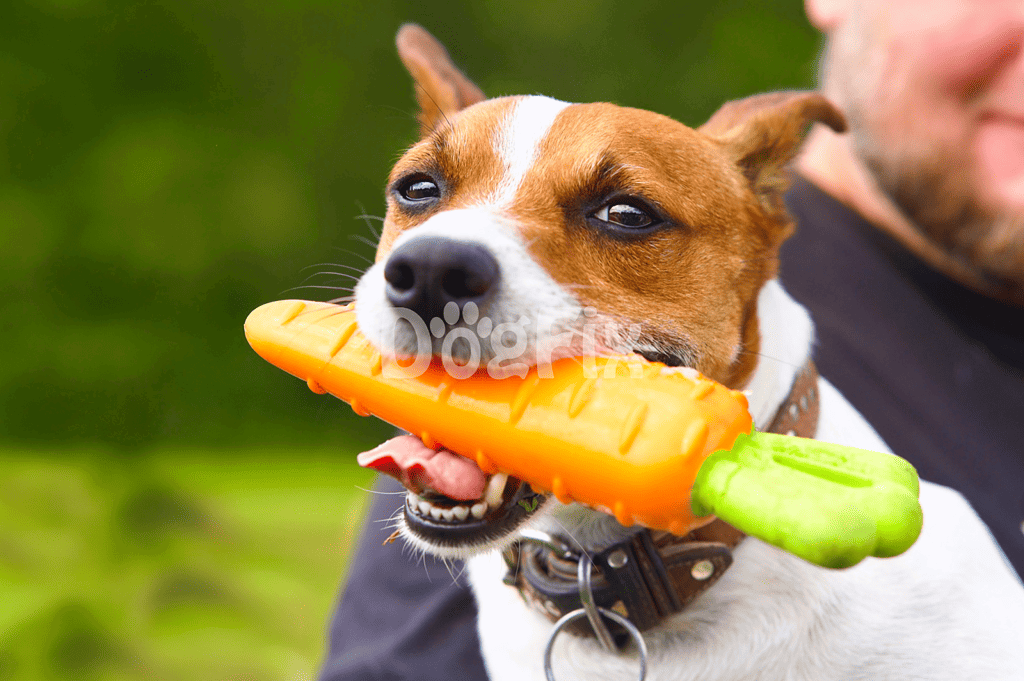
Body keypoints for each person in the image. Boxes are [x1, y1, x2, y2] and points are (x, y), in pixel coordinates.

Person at [319, 2, 1024, 679]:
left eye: (624, 215)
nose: (441, 255)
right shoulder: (477, 557)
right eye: (420, 191)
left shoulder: (922, 608)